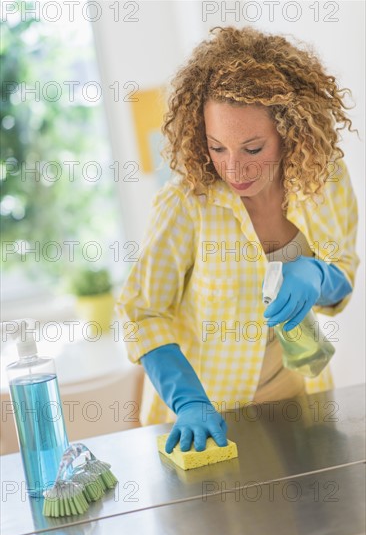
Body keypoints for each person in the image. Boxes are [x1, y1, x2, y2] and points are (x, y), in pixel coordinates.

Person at [116, 26, 359, 453]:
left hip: (299, 411)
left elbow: (343, 275)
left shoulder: (325, 180)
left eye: (252, 148)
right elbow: (142, 311)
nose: (234, 169)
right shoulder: (186, 203)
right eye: (217, 147)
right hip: (205, 426)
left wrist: (319, 275)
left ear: (290, 131)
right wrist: (188, 401)